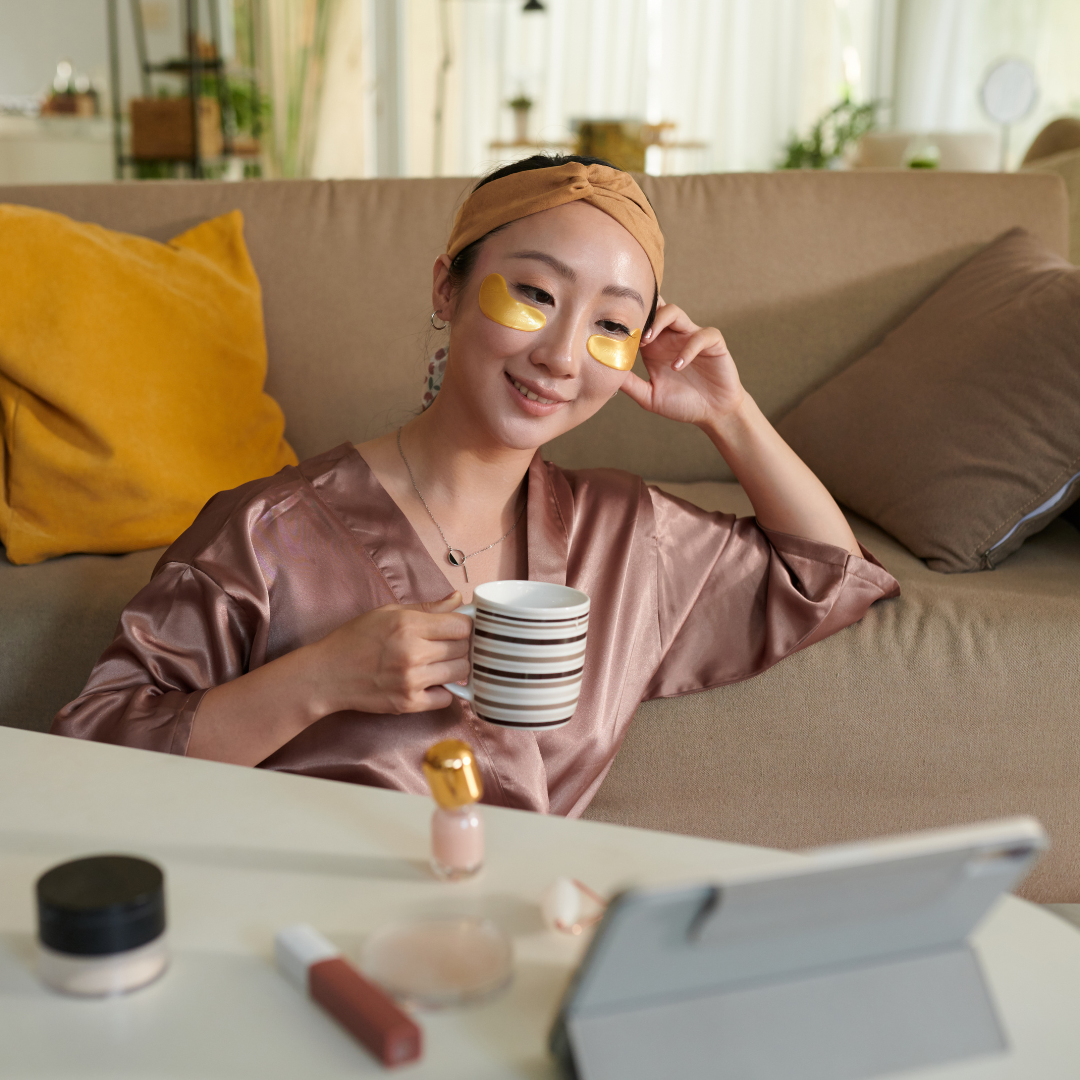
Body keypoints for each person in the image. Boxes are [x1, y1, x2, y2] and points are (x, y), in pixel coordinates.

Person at [53, 156, 898, 816]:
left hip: (515, 941)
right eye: (534, 293)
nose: (562, 356)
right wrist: (319, 679)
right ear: (445, 287)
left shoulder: (625, 536)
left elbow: (827, 576)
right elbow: (88, 751)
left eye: (612, 324)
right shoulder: (270, 532)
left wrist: (730, 412)